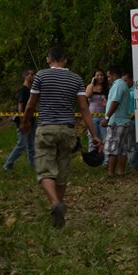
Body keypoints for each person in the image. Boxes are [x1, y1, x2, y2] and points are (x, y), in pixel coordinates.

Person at [22, 47, 103, 228]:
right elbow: (84, 110)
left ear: (49, 59)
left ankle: (55, 203)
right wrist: (95, 135)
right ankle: (59, 212)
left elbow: (30, 104)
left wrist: (25, 122)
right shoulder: (76, 79)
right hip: (67, 131)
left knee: (45, 171)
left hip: (46, 128)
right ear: (65, 60)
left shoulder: (41, 76)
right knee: (62, 172)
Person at [3, 68, 36, 170]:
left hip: (32, 120)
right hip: (24, 120)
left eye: (34, 74)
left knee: (32, 144)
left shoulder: (32, 90)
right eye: (31, 74)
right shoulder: (23, 90)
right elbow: (20, 106)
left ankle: (33, 165)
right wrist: (23, 121)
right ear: (25, 76)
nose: (33, 76)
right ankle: (8, 164)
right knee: (22, 144)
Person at [102, 66, 128, 178]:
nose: (108, 78)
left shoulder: (118, 84)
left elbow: (115, 102)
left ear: (114, 74)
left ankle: (110, 173)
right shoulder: (123, 84)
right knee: (122, 149)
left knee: (113, 148)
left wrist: (107, 118)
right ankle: (120, 171)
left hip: (116, 122)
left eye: (108, 76)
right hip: (123, 121)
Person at [85, 68, 108, 155]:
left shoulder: (107, 87)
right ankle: (92, 159)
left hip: (103, 116)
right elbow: (87, 95)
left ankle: (105, 161)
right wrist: (92, 82)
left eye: (101, 75)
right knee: (92, 139)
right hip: (92, 117)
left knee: (105, 139)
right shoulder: (90, 86)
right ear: (94, 77)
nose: (100, 77)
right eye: (97, 75)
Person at [122, 71, 138, 171]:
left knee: (134, 143)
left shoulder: (136, 91)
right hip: (124, 121)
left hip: (133, 120)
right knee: (127, 144)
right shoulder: (124, 91)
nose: (124, 82)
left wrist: (134, 114)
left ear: (131, 80)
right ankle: (130, 163)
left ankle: (134, 165)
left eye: (126, 80)